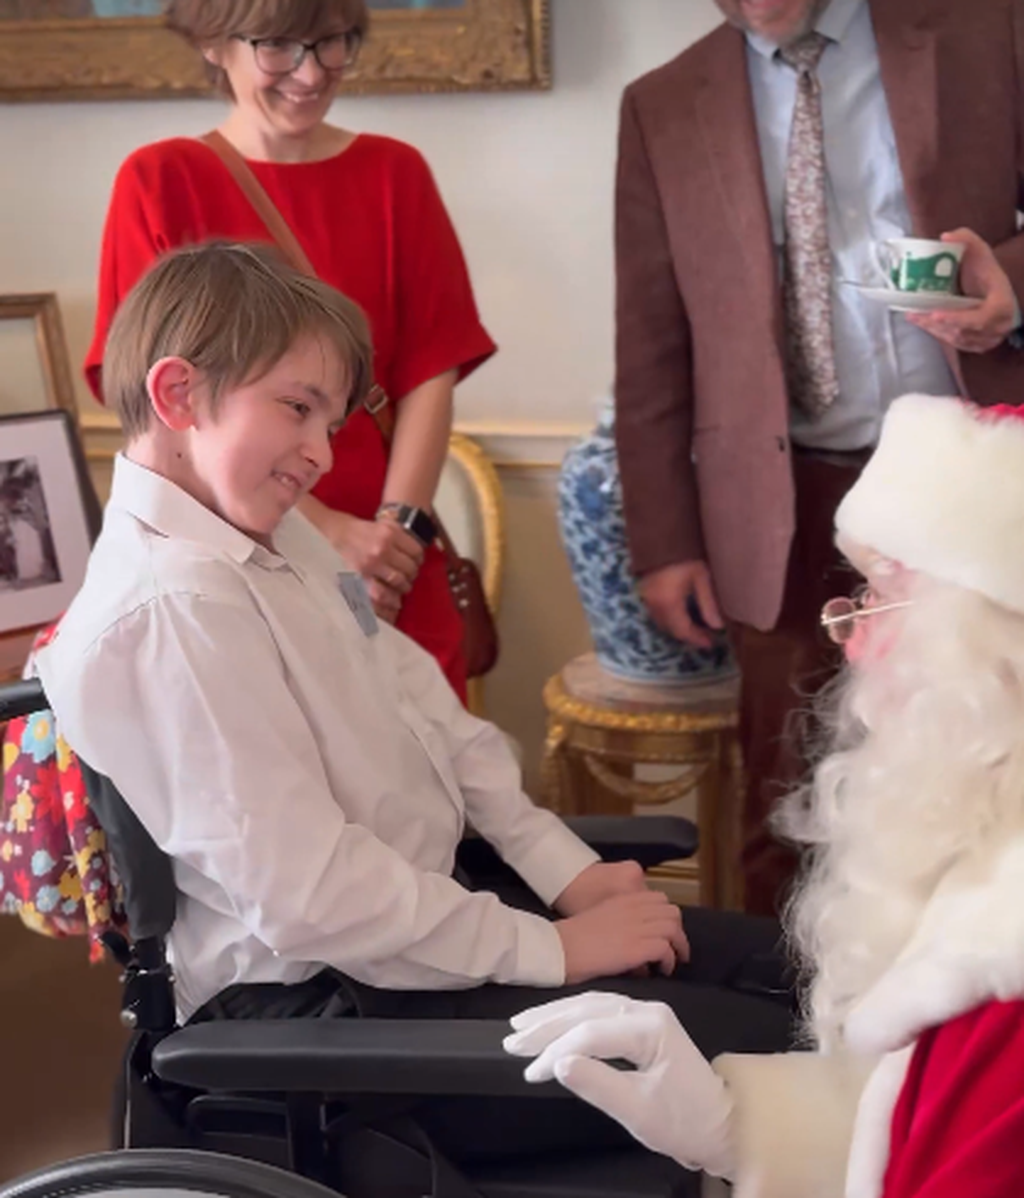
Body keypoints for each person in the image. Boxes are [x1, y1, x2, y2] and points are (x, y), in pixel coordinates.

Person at [39, 243, 794, 1184]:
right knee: (788, 1053)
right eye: (296, 407)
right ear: (179, 393)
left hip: (427, 936)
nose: (323, 451)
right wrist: (551, 949)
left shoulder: (280, 546)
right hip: (333, 1019)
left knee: (807, 974)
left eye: (332, 417)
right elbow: (311, 897)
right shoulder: (166, 616)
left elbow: (431, 718)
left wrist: (565, 875)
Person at [506, 391, 1024, 1198]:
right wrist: (739, 1124)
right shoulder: (992, 860)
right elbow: (905, 1131)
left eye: (880, 596)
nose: (850, 642)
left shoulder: (1005, 978)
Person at [614, 0, 1024, 914]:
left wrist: (1011, 286)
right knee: (786, 806)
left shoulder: (986, 31)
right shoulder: (663, 102)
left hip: (981, 478)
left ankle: (961, 1041)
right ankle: (786, 1036)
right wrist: (665, 539)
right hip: (783, 504)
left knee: (994, 797)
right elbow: (648, 336)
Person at [85, 0, 495, 702]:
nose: (311, 73)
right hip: (239, 563)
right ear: (216, 46)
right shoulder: (159, 180)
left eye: (333, 43)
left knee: (436, 786)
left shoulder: (396, 173)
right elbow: (157, 411)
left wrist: (393, 542)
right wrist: (326, 535)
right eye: (279, 46)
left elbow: (433, 368)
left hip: (391, 564)